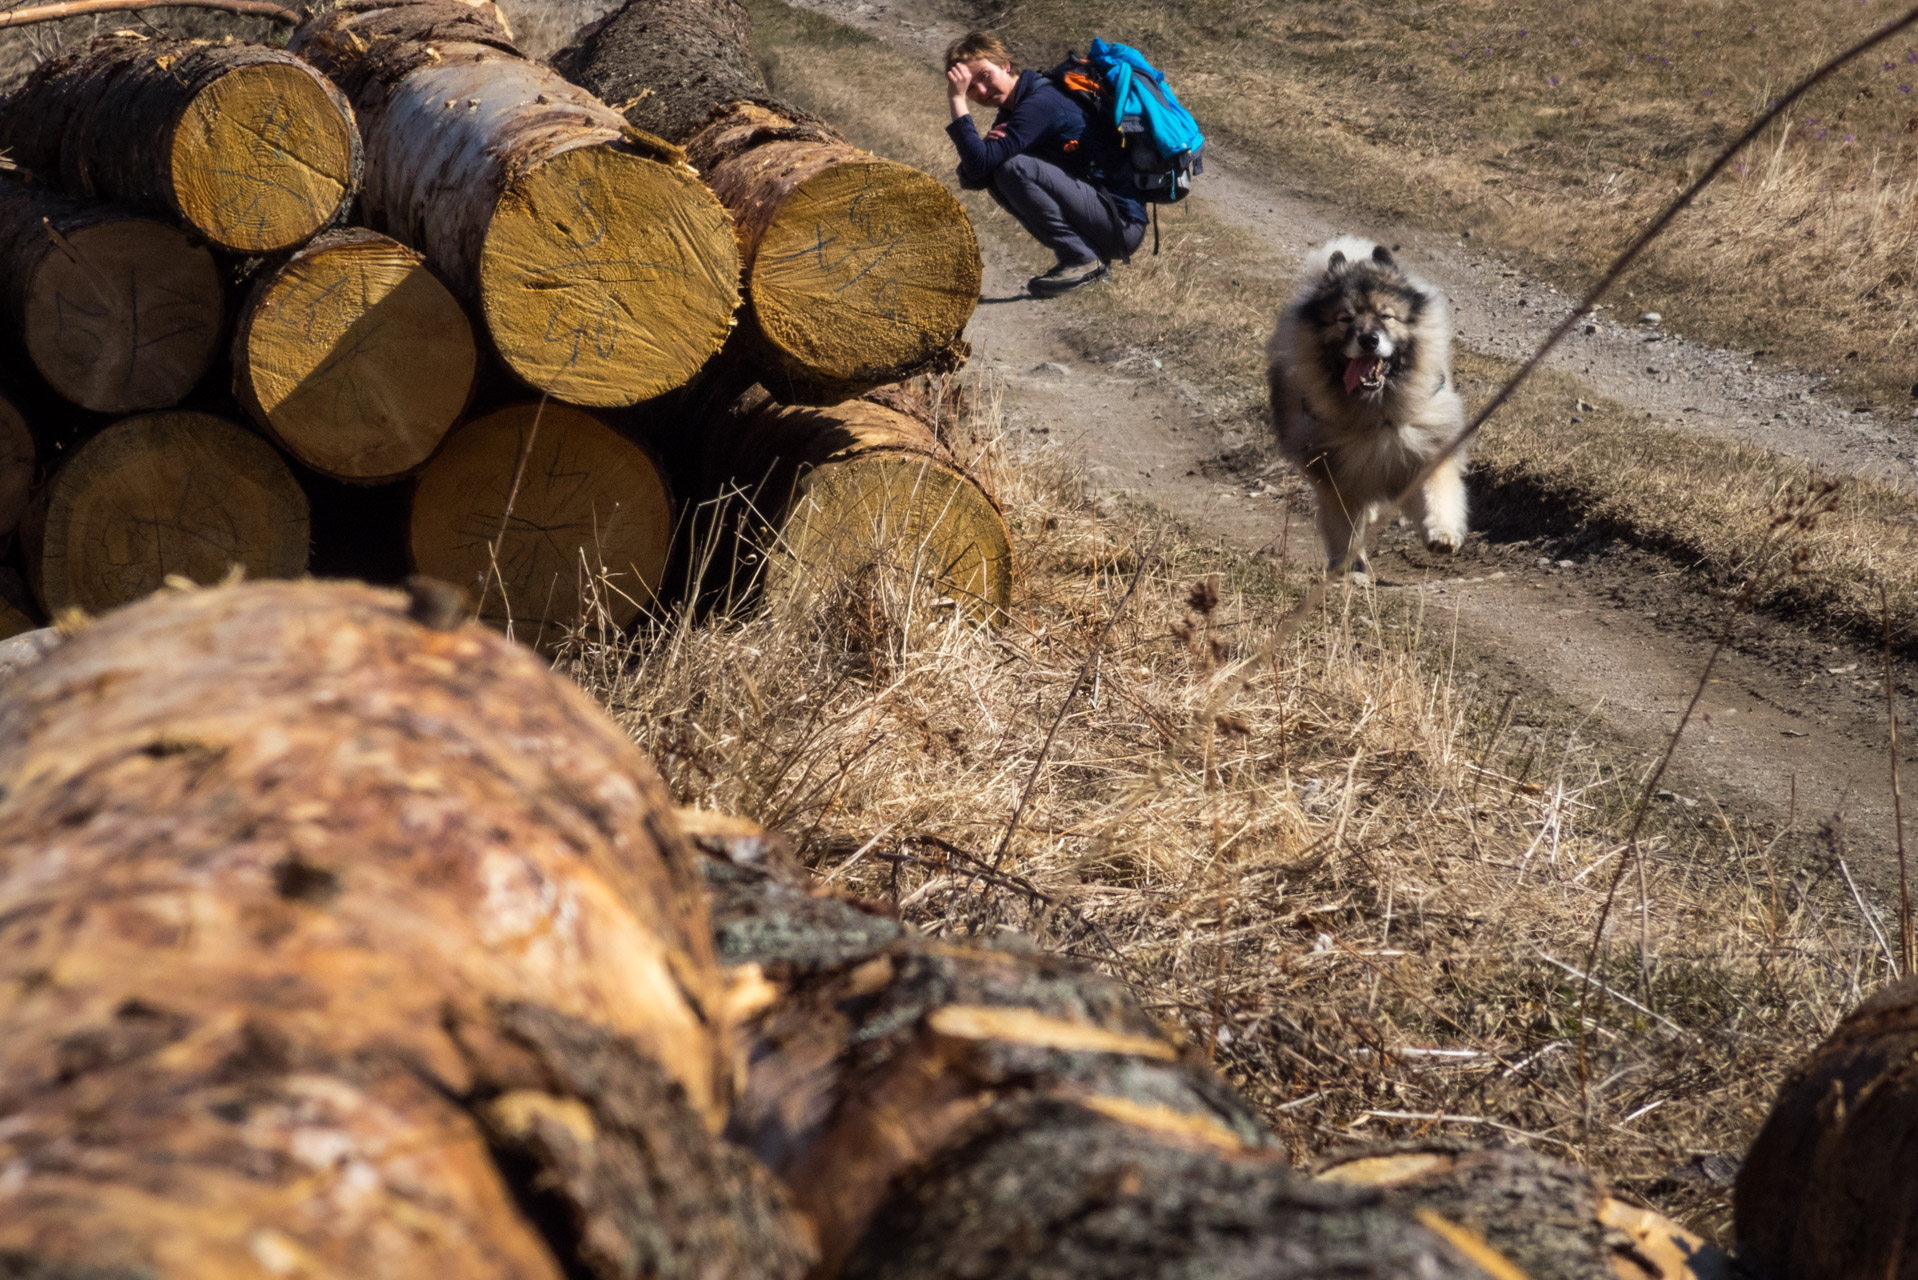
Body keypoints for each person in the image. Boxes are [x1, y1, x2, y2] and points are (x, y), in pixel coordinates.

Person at [944, 31, 1147, 298]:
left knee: (1012, 167)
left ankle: (1082, 258)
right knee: (1001, 170)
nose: (981, 91)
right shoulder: (1013, 110)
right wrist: (985, 154)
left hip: (1120, 224)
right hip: (1101, 218)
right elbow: (975, 175)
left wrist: (957, 100)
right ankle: (1085, 258)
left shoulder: (1041, 103)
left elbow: (979, 164)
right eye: (969, 88)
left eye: (984, 77)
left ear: (1005, 64)